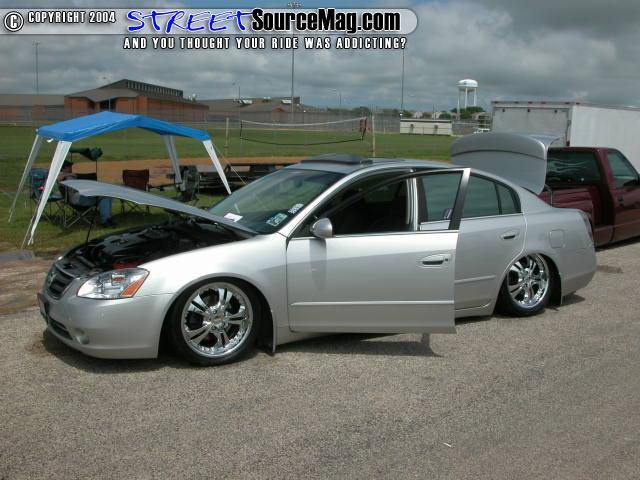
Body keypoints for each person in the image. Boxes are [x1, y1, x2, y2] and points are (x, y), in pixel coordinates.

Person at [58, 160, 116, 227]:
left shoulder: (68, 176)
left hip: (81, 196)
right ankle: (105, 221)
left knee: (107, 196)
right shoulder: (61, 175)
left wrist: (70, 174)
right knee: (103, 197)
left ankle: (108, 219)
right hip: (77, 200)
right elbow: (58, 178)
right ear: (65, 167)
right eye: (70, 166)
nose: (71, 168)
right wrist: (68, 174)